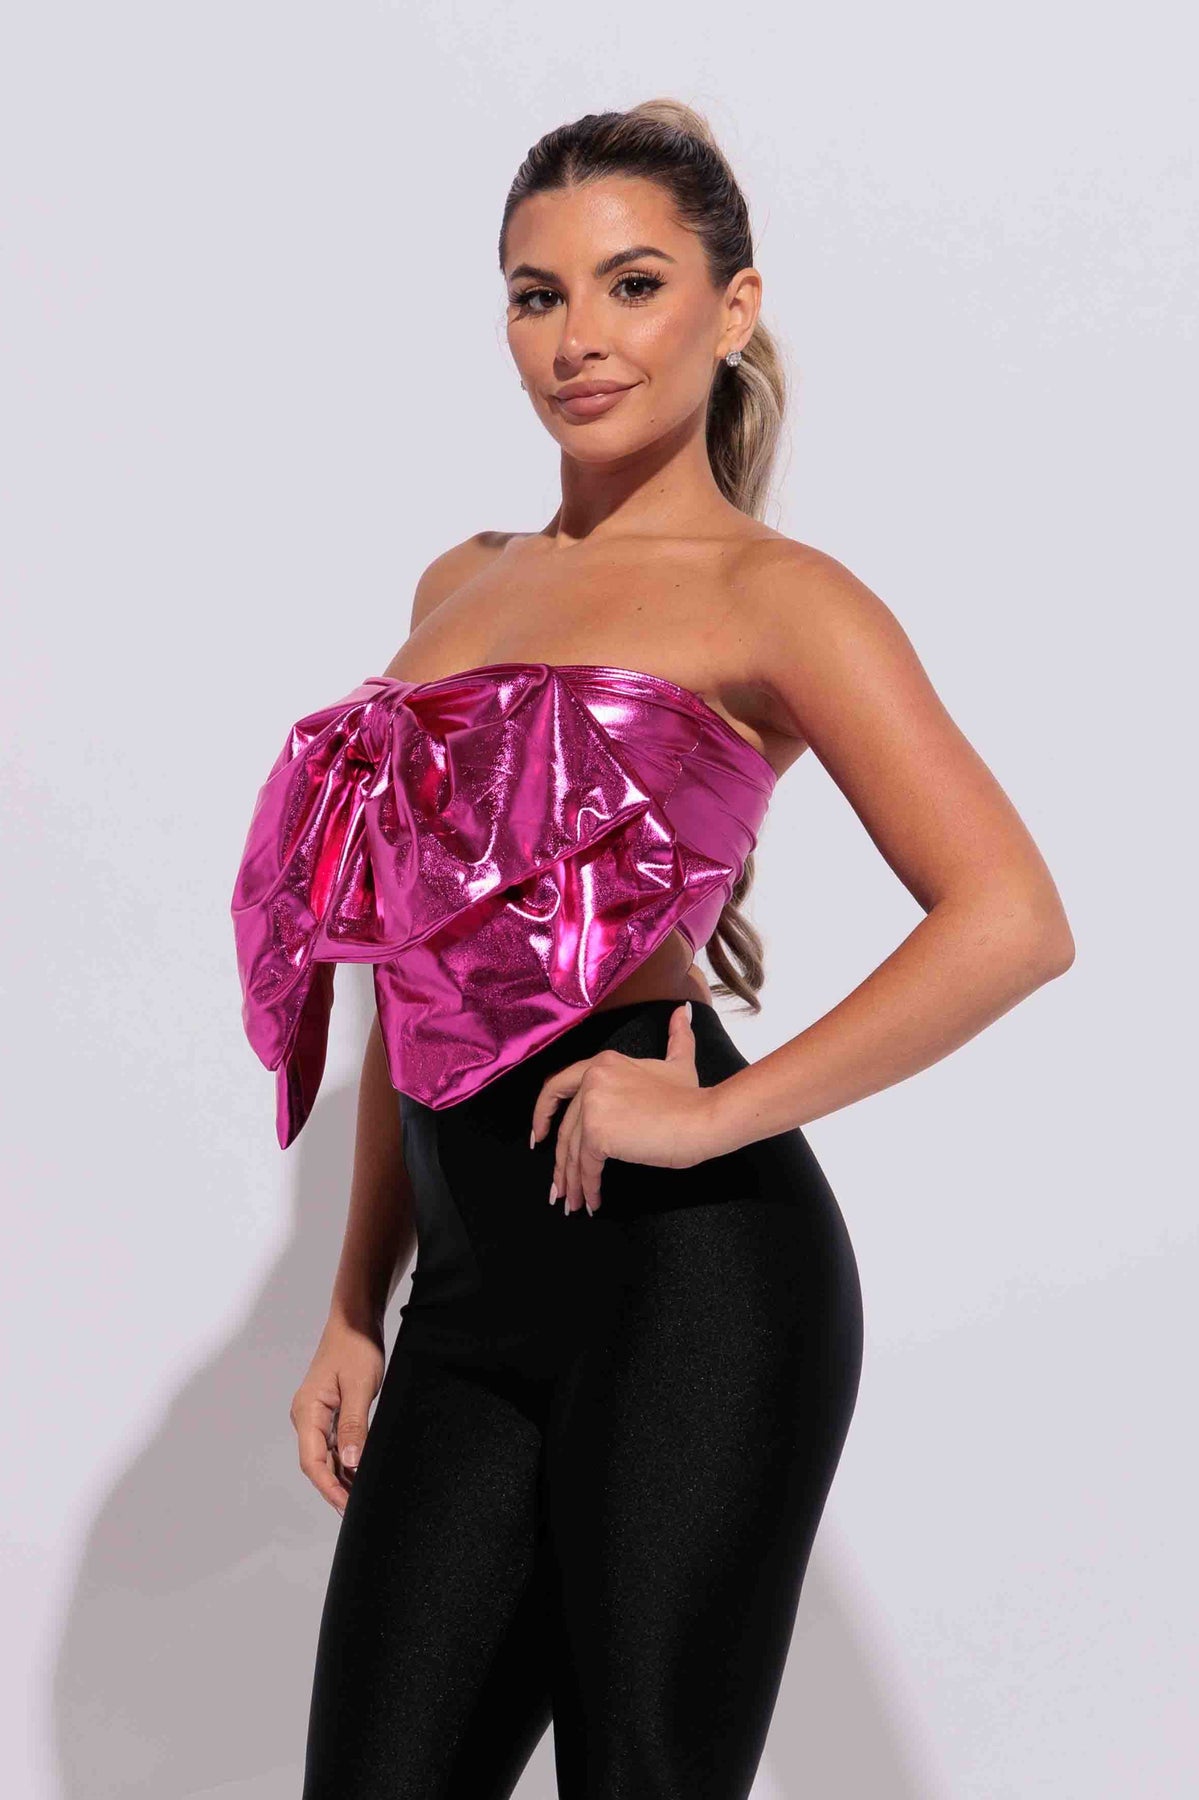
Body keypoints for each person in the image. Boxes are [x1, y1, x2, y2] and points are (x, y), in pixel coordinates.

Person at [230, 99, 1074, 1800]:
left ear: (732, 309)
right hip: (469, 1299)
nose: (580, 340)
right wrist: (355, 1299)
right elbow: (415, 967)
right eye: (536, 296)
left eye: (632, 285)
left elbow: (1011, 917)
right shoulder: (459, 584)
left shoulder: (779, 598)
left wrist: (710, 1118)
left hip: (693, 1288)